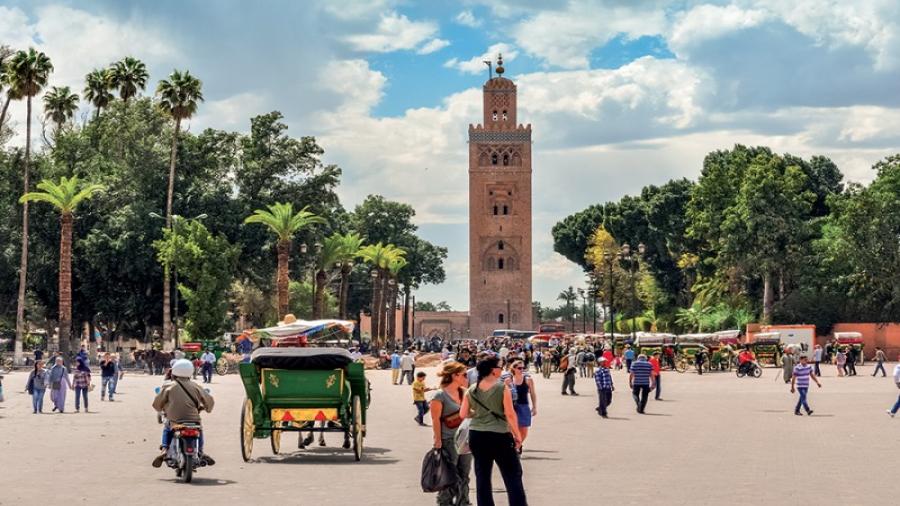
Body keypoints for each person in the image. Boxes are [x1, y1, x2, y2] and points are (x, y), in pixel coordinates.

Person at [460, 356, 527, 506]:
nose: (501, 370)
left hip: (477, 435)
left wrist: (478, 413)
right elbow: (510, 414)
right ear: (493, 370)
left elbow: (463, 414)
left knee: (482, 476)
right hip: (499, 435)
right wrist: (517, 435)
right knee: (512, 475)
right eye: (500, 367)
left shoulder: (472, 389)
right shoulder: (502, 387)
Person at [151, 358, 216, 467]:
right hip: (193, 420)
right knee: (198, 429)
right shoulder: (196, 386)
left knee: (167, 428)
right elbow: (209, 401)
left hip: (174, 420)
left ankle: (164, 450)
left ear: (174, 371)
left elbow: (156, 404)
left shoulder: (168, 386)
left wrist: (162, 409)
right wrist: (206, 408)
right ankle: (200, 451)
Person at [430, 361, 473, 506]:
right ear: (454, 375)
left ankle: (464, 502)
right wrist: (437, 440)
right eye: (463, 374)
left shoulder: (464, 392)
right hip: (448, 440)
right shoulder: (439, 395)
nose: (466, 377)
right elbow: (435, 420)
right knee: (448, 475)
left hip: (466, 440)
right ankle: (445, 502)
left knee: (464, 474)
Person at [508, 358, 536, 449]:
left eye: (523, 368)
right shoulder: (509, 380)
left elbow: (532, 393)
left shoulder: (528, 380)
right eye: (519, 368)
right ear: (514, 369)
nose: (522, 370)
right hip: (512, 407)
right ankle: (514, 447)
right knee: (512, 429)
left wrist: (534, 407)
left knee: (524, 430)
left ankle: (518, 445)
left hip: (524, 406)